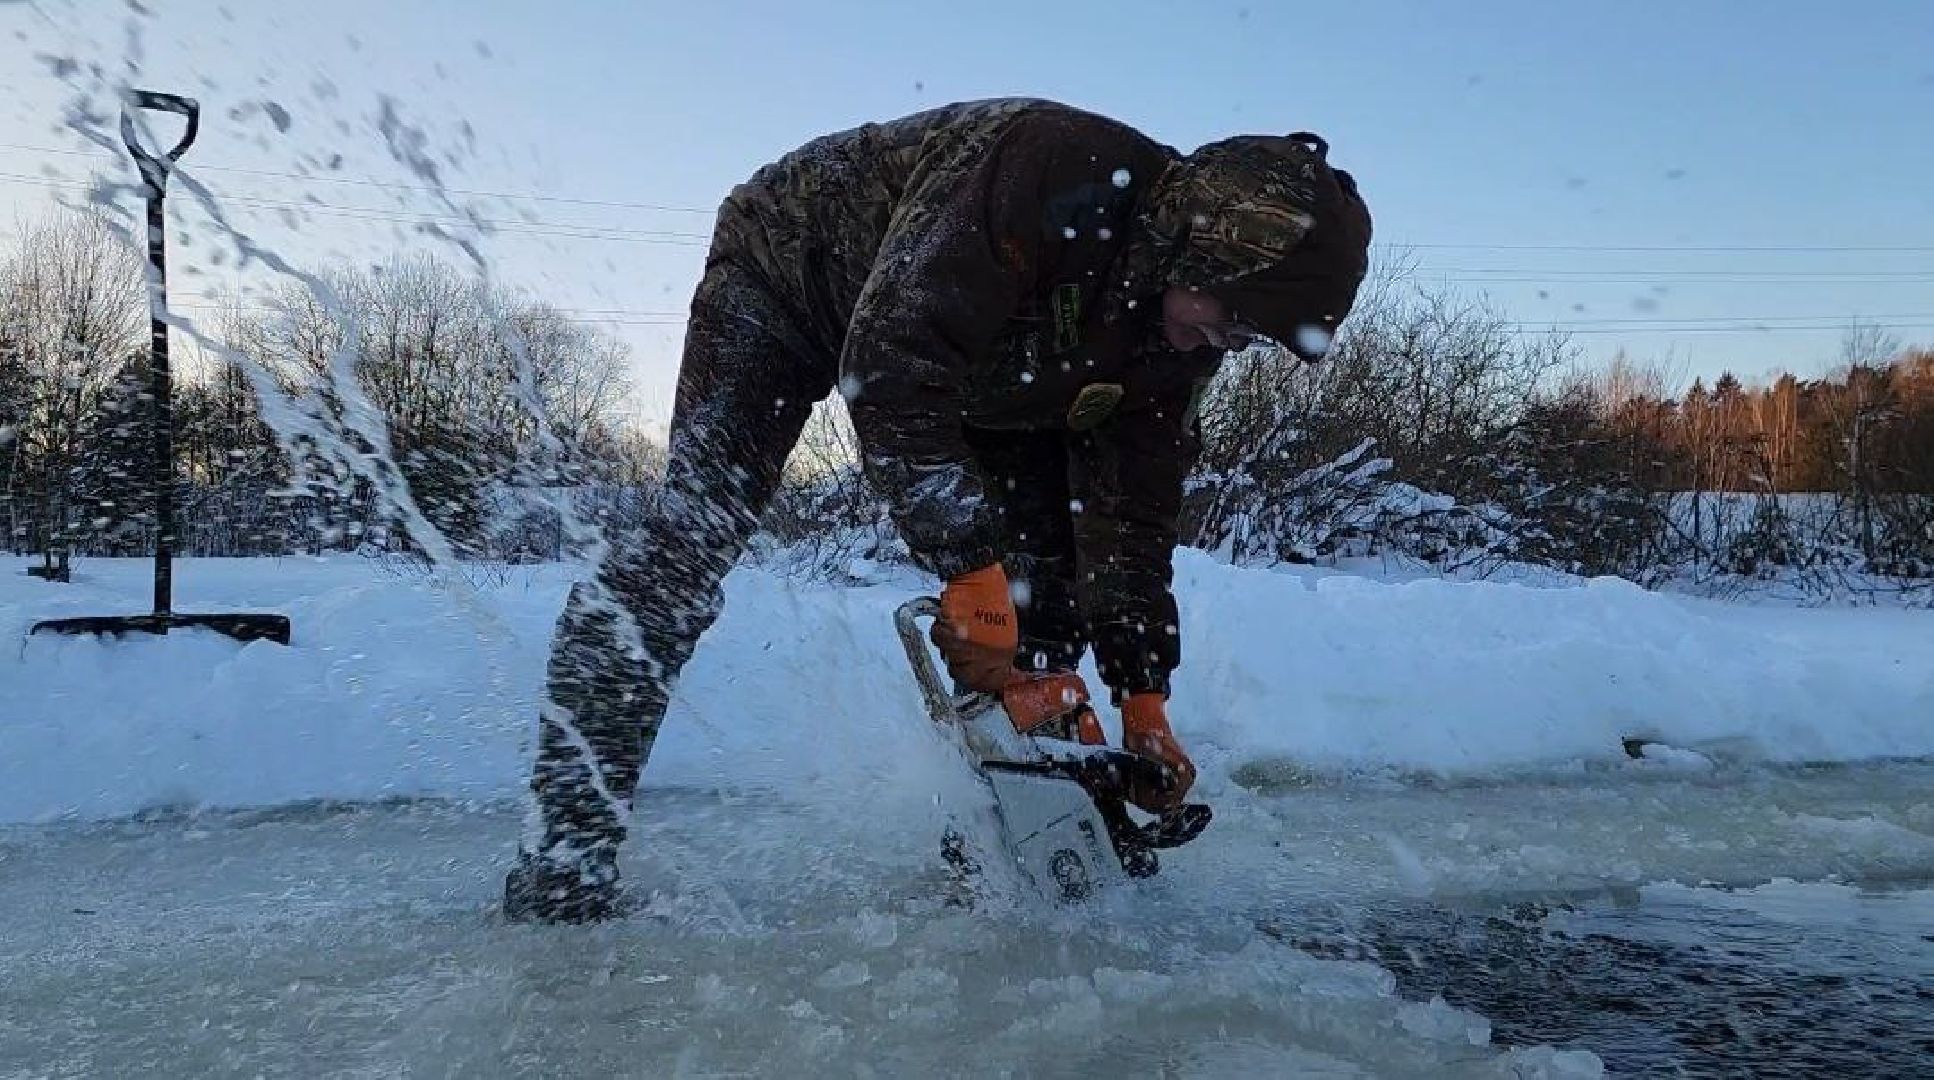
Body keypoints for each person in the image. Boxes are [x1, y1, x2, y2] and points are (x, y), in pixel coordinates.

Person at [505, 98, 1372, 923]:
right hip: (792, 278)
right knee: (685, 547)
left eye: (1252, 338)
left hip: (1004, 366)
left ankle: (1014, 857)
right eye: (1235, 320)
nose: (1228, 345)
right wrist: (967, 565)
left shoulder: (1173, 340)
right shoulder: (1043, 168)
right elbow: (891, 365)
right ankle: (564, 862)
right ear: (1201, 250)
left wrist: (1144, 693)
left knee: (1043, 600)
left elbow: (1131, 515)